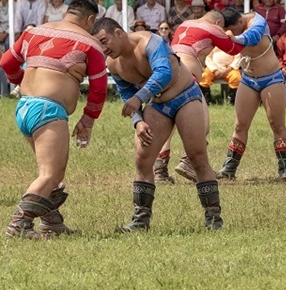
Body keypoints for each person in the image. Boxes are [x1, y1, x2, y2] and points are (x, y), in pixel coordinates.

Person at [92, 17, 223, 231]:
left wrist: (139, 98)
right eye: (100, 45)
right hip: (158, 104)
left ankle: (213, 218)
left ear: (118, 33)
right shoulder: (113, 64)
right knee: (142, 159)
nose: (104, 49)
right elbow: (127, 92)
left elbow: (164, 73)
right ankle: (140, 221)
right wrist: (138, 121)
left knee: (197, 156)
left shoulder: (151, 42)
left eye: (104, 41)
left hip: (185, 96)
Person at [0, 0, 107, 239]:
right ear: (90, 19)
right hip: (48, 111)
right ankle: (19, 224)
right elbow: (99, 89)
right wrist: (88, 120)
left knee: (51, 171)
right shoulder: (89, 42)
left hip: (25, 107)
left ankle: (52, 222)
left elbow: (6, 62)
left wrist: (20, 80)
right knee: (50, 174)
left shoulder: (34, 32)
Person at [215, 8, 286, 180]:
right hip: (248, 79)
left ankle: (285, 170)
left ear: (240, 23)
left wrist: (235, 38)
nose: (232, 34)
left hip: (271, 78)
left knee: (277, 124)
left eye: (233, 30)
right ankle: (229, 170)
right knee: (240, 126)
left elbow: (253, 37)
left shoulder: (258, 22)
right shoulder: (236, 26)